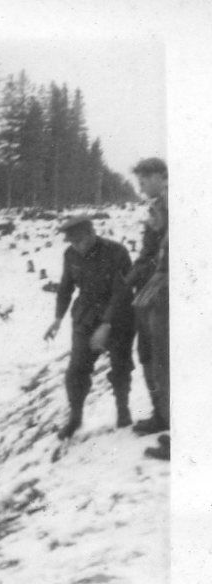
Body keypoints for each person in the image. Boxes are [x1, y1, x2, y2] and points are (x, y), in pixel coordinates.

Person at [43, 215, 135, 439]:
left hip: (118, 316)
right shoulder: (71, 255)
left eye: (80, 241)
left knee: (120, 367)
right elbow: (66, 287)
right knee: (76, 370)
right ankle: (75, 418)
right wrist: (57, 319)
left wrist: (107, 324)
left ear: (92, 234)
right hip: (85, 316)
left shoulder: (117, 252)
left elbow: (122, 292)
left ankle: (123, 411)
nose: (76, 246)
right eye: (72, 242)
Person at [125, 157, 170, 460]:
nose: (140, 186)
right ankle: (164, 417)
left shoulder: (175, 204)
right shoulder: (158, 208)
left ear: (159, 176)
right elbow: (149, 250)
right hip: (155, 291)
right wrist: (130, 277)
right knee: (153, 356)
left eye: (143, 179)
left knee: (168, 361)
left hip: (170, 291)